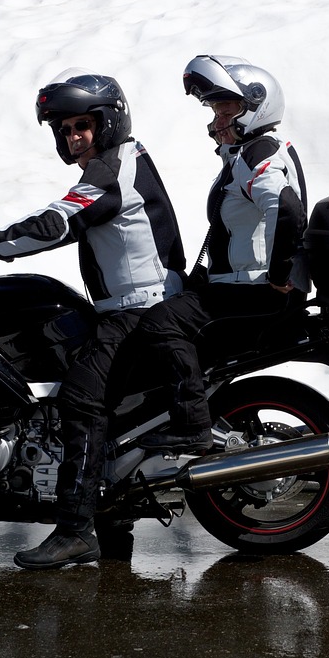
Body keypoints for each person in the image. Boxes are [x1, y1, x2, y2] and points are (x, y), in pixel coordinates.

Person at [0, 69, 185, 569]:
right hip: (135, 303)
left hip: (138, 309)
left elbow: (58, 223)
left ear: (108, 121)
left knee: (81, 401)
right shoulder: (120, 161)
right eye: (66, 129)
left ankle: (76, 529)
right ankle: (112, 508)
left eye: (83, 125)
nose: (74, 137)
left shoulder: (111, 172)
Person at [114, 55, 308, 453]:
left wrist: (280, 273)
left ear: (256, 107)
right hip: (240, 283)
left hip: (256, 291)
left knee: (160, 323)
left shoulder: (259, 155)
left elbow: (285, 208)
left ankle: (193, 425)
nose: (218, 118)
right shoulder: (249, 154)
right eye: (216, 108)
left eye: (227, 108)